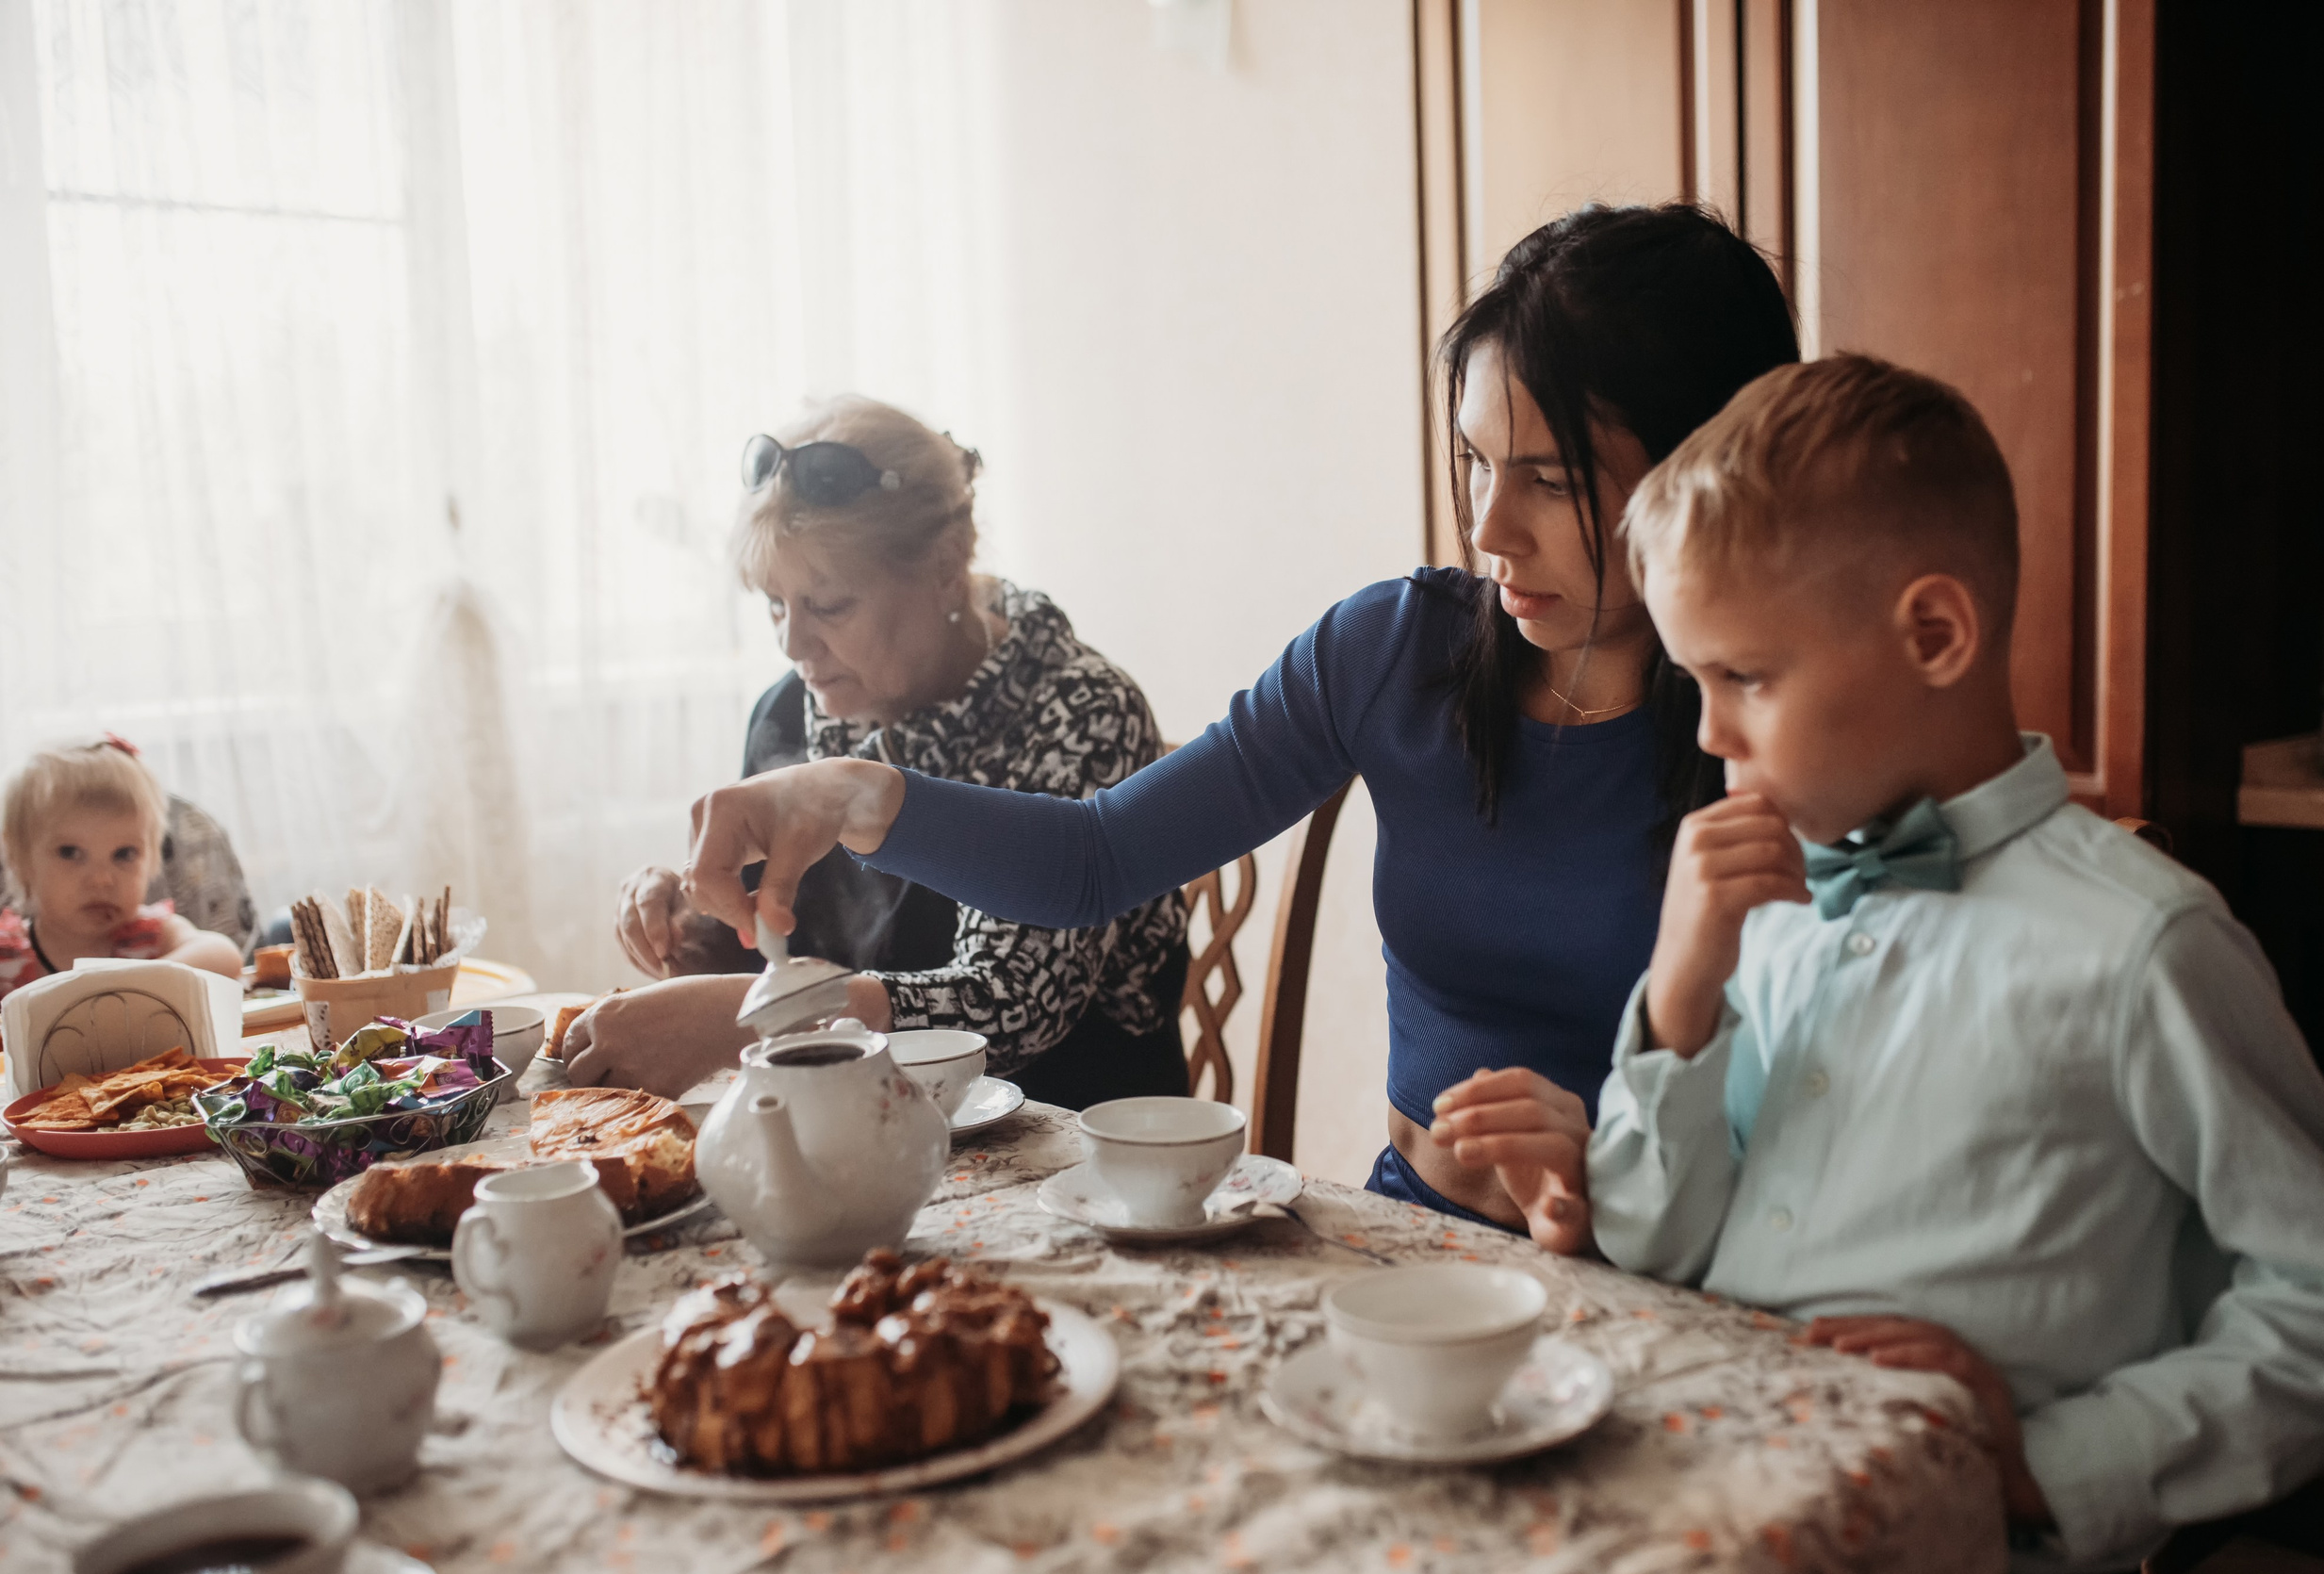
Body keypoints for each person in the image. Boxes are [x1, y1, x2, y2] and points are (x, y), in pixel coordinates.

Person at [1427, 354, 2324, 1574]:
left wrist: (2057, 1462)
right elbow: (1653, 1243)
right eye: (1696, 683)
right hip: (1715, 1509)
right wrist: (1678, 1005)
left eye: (1746, 679)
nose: (1709, 736)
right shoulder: (1757, 915)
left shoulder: (2142, 950)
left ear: (1934, 633)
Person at [677, 204, 1800, 1231]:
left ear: (1700, 469)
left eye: (1548, 481)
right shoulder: (1394, 649)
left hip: (1671, 1255)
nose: (1490, 528)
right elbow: (1098, 857)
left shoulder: (1787, 732)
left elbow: (1839, 1111)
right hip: (1409, 1228)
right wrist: (846, 793)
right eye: (1474, 461)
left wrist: (1610, 1172)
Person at [570, 396, 1190, 1112]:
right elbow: (778, 948)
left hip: (1074, 1155)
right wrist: (696, 924)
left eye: (829, 606)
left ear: (946, 569)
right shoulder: (790, 707)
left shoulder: (1080, 712)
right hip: (861, 1135)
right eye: (776, 603)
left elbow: (1011, 1004)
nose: (792, 645)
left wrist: (743, 1013)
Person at [0, 738, 246, 999]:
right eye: (70, 853)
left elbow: (225, 956)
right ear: (20, 860)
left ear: (152, 859)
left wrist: (126, 983)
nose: (102, 880)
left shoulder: (152, 937)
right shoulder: (7, 958)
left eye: (124, 854)